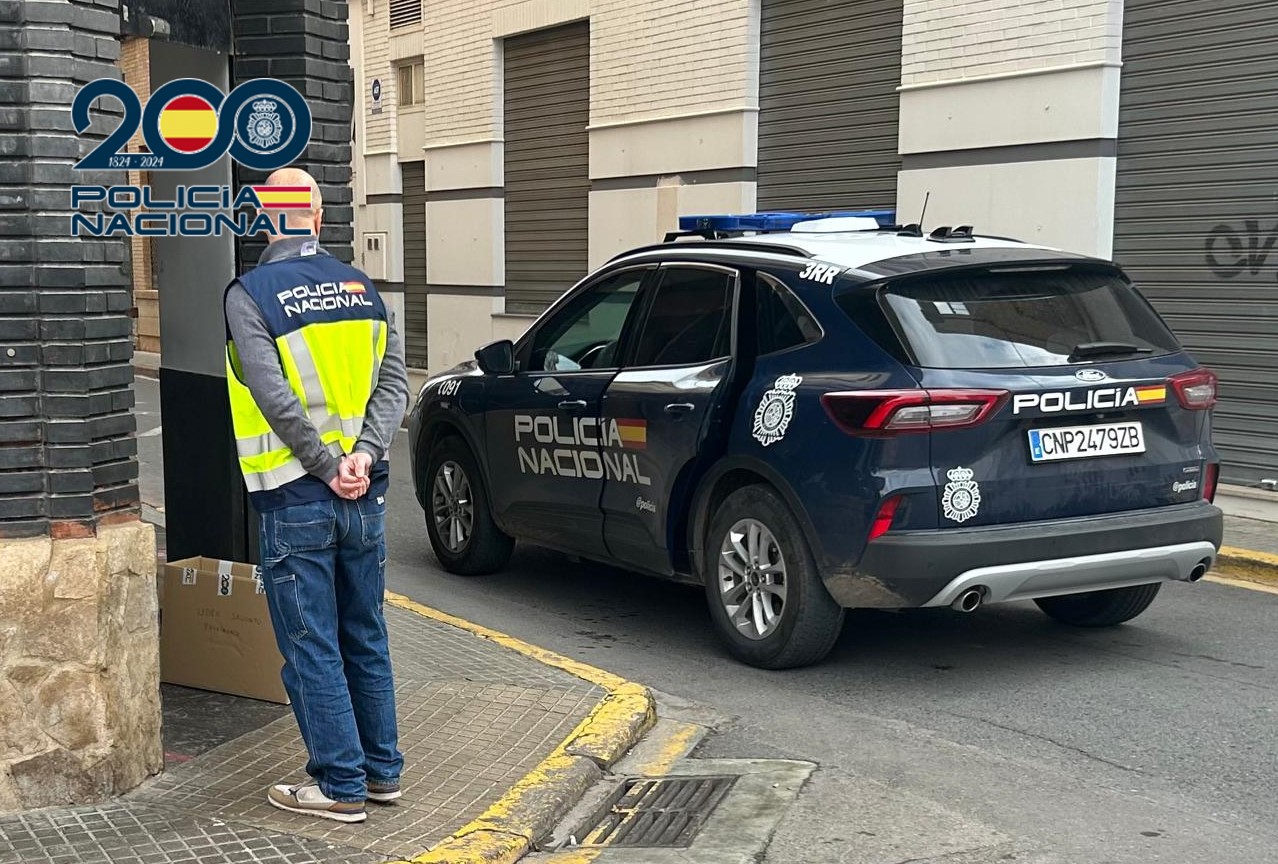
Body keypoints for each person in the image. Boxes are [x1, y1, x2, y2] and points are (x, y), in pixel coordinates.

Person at [223, 167, 409, 823]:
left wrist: (327, 465)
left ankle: (339, 786)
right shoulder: (365, 289)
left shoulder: (249, 295)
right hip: (365, 497)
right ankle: (382, 774)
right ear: (320, 218)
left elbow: (272, 395)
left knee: (312, 646)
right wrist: (360, 456)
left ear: (266, 219)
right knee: (366, 635)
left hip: (296, 499)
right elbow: (395, 388)